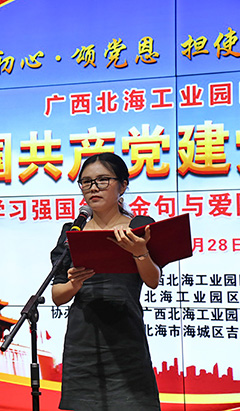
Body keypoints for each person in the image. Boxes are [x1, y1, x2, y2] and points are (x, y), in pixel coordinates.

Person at [51, 153, 161, 410]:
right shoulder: (73, 232)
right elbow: (57, 295)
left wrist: (140, 252)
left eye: (102, 180)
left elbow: (153, 280)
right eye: (86, 182)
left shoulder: (139, 228)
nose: (93, 188)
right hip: (82, 345)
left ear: (123, 185)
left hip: (127, 342)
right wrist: (74, 284)